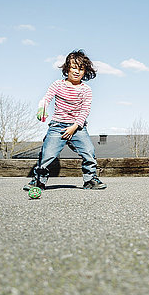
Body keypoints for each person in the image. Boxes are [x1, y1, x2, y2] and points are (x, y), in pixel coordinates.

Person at [23, 50, 107, 191]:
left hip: (77, 127)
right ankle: (38, 181)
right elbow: (46, 98)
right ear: (67, 68)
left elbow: (85, 111)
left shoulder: (86, 90)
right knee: (47, 154)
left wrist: (74, 127)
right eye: (74, 67)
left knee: (89, 151)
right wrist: (41, 108)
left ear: (85, 71)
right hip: (57, 126)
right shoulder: (58, 85)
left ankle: (90, 180)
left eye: (81, 69)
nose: (76, 71)